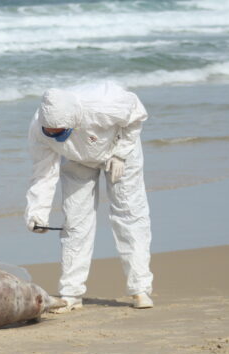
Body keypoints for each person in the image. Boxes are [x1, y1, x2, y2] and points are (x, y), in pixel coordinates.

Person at [24, 82, 153, 312]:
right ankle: (71, 293)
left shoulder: (104, 103)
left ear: (73, 122)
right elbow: (43, 173)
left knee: (129, 215)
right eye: (50, 133)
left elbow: (136, 115)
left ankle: (140, 289)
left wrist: (121, 154)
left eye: (60, 132)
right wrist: (37, 212)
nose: (54, 136)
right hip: (76, 159)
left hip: (118, 149)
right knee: (75, 222)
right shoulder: (38, 128)